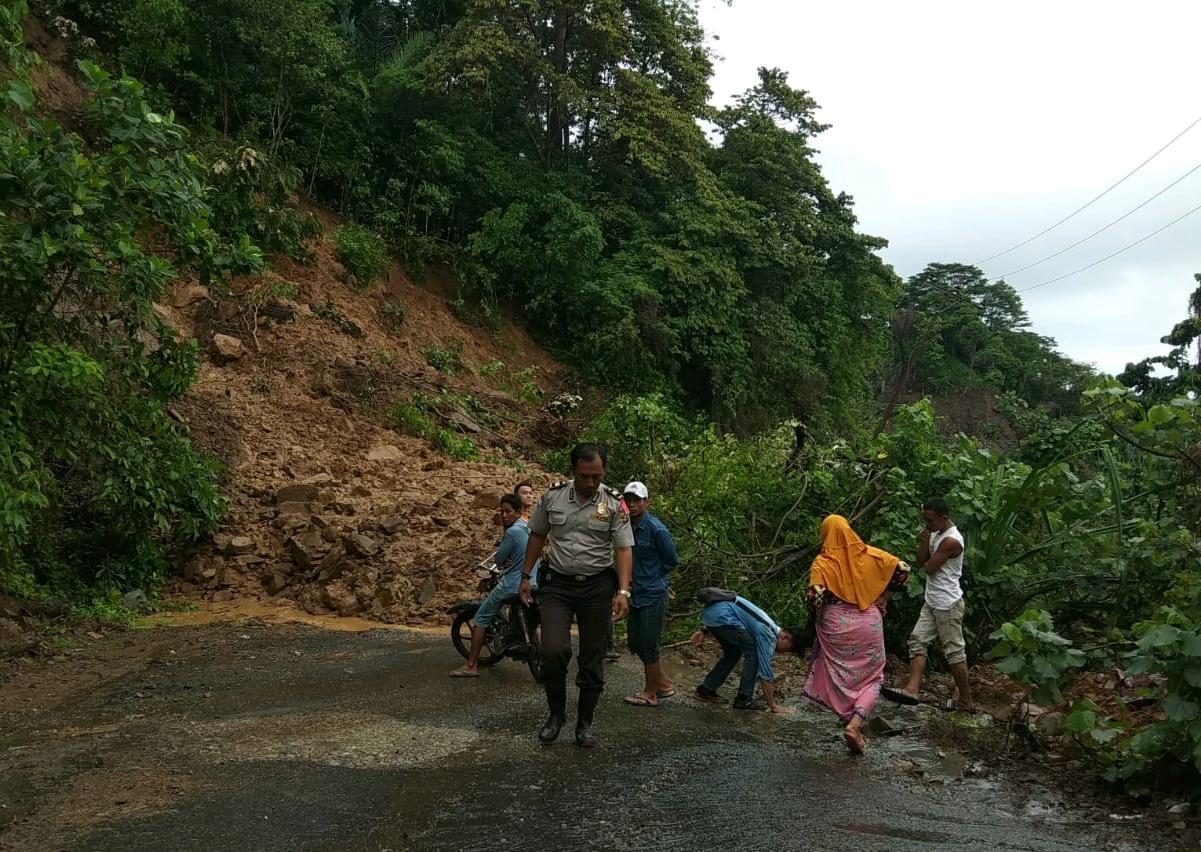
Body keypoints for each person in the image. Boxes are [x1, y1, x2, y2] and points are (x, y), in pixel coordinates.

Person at [519, 444, 634, 747]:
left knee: (593, 659)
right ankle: (556, 715)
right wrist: (526, 575)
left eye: (597, 476)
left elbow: (623, 548)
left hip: (597, 588)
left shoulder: (613, 503)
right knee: (553, 651)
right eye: (585, 476)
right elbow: (537, 535)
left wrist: (623, 590)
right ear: (574, 471)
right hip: (557, 584)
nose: (591, 483)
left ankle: (585, 724)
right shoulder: (553, 497)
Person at [802, 514, 910, 754]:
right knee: (872, 679)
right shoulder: (872, 555)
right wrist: (883, 599)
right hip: (869, 622)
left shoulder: (823, 561)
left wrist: (816, 618)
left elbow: (816, 595)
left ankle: (846, 715)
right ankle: (855, 723)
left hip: (836, 624)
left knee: (839, 673)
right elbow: (903, 570)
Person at [898, 497, 973, 712]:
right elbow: (922, 561)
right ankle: (912, 689)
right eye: (924, 519)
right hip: (932, 601)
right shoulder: (935, 534)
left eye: (930, 521)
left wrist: (927, 545)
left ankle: (966, 701)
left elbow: (930, 568)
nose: (926, 525)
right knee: (917, 640)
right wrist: (924, 542)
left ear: (944, 518)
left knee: (954, 652)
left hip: (948, 604)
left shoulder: (952, 540)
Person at [449, 494, 531, 678]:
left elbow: (500, 559)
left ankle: (471, 665)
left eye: (508, 511)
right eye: (502, 511)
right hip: (533, 582)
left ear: (518, 512)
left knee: (481, 619)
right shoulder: (530, 528)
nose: (504, 515)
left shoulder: (512, 532)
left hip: (513, 584)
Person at [620, 481, 679, 708]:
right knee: (635, 641)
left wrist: (656, 577)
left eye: (637, 500)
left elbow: (672, 560)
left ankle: (650, 693)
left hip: (653, 593)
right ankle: (663, 684)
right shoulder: (626, 526)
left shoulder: (656, 529)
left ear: (646, 502)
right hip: (635, 592)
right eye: (628, 500)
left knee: (648, 643)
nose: (632, 505)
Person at [691, 594, 801, 715]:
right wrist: (773, 706)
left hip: (712, 614)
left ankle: (706, 690)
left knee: (733, 652)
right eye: (787, 649)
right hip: (722, 617)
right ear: (786, 637)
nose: (782, 652)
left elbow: (736, 609)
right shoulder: (769, 635)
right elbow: (765, 673)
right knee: (753, 654)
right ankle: (744, 699)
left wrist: (704, 630)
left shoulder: (767, 623)